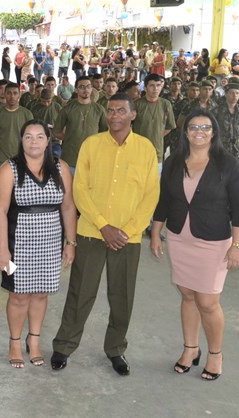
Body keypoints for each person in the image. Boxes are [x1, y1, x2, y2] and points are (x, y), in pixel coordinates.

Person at [51, 93, 160, 376]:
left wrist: (128, 230)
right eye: (110, 111)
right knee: (80, 293)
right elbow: (79, 190)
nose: (114, 116)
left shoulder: (146, 149)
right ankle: (64, 345)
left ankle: (115, 349)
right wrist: (103, 225)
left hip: (128, 237)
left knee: (122, 297)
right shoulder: (91, 145)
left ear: (133, 115)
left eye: (121, 111)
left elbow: (151, 195)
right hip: (91, 233)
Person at [150, 109, 239, 380]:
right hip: (180, 238)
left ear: (213, 132)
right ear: (186, 133)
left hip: (213, 242)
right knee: (188, 295)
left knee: (207, 301)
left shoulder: (228, 164)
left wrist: (237, 246)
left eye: (205, 127)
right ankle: (190, 349)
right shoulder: (174, 162)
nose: (199, 132)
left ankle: (216, 354)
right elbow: (164, 200)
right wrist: (156, 232)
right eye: (193, 127)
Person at [0, 120, 78, 368]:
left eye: (39, 137)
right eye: (28, 137)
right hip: (18, 242)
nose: (34, 142)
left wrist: (70, 242)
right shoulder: (9, 170)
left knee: (41, 293)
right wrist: (2, 249)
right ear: (21, 141)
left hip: (51, 242)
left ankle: (35, 341)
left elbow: (68, 207)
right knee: (18, 296)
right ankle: (15, 343)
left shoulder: (61, 168)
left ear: (48, 140)